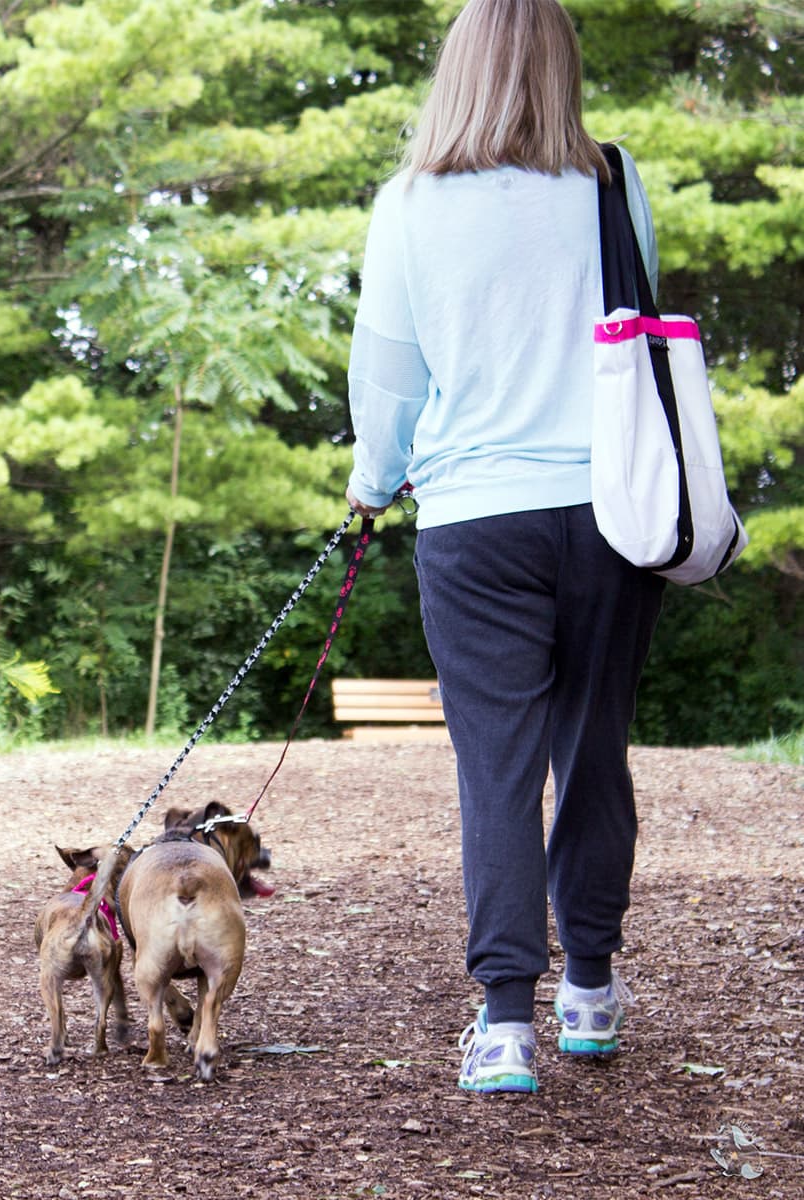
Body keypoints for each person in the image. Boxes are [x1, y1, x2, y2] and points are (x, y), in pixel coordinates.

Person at [345, 0, 665, 1095]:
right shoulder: (615, 185)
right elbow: (644, 339)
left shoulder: (410, 205)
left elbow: (388, 380)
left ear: (459, 69)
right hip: (614, 510)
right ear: (562, 67)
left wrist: (369, 485)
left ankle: (504, 1024)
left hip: (475, 520)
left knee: (495, 771)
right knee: (594, 748)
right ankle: (589, 989)